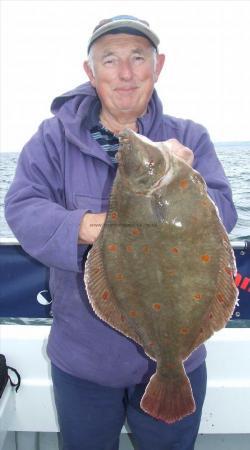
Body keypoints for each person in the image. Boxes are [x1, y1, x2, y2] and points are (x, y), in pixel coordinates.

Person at [5, 15, 237, 450]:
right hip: (84, 359)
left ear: (158, 65)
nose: (125, 73)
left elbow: (223, 215)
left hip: (180, 356)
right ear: (90, 72)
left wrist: (187, 180)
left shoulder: (189, 137)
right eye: (110, 60)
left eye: (138, 58)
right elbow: (22, 206)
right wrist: (86, 227)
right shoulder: (52, 139)